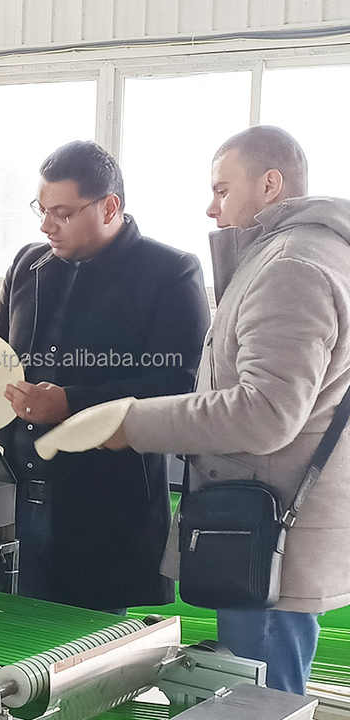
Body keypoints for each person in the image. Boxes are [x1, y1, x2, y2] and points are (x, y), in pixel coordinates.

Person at [90, 125, 350, 694]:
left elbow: (265, 411)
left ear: (271, 184)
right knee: (268, 685)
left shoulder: (291, 267)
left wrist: (132, 422)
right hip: (270, 522)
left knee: (263, 695)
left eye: (222, 189)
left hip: (264, 533)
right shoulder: (310, 254)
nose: (212, 208)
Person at [0, 140, 210, 612]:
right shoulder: (29, 265)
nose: (46, 226)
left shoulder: (169, 273)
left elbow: (177, 387)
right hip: (17, 494)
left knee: (89, 644)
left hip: (103, 506)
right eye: (41, 210)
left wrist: (70, 404)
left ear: (110, 207)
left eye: (62, 213)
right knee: (5, 636)